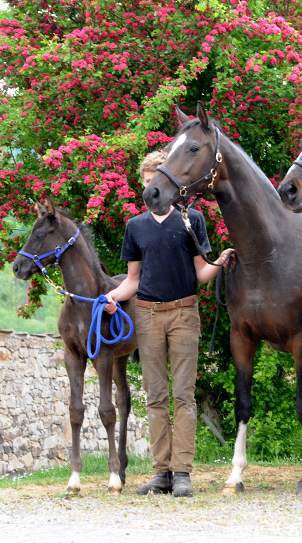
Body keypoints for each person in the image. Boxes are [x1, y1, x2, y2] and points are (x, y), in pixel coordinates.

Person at [104, 150, 234, 497]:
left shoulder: (192, 220)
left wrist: (219, 262)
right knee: (156, 396)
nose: (152, 188)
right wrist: (114, 296)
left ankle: (182, 473)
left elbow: (201, 274)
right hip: (145, 315)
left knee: (184, 395)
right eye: (147, 182)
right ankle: (161, 472)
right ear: (142, 185)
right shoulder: (135, 227)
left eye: (156, 181)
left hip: (184, 313)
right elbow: (132, 279)